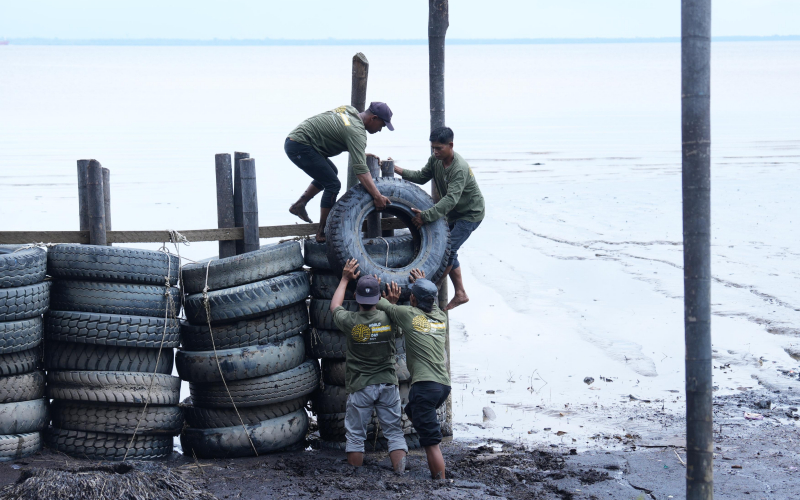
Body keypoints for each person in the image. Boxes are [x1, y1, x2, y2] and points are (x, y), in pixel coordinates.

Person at [329, 258, 407, 474]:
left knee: (355, 435)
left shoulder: (351, 321)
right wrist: (391, 304)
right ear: (378, 298)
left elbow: (334, 306)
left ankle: (355, 476)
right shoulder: (389, 318)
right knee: (394, 432)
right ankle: (400, 473)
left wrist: (345, 278)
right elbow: (397, 323)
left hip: (360, 386)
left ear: (355, 297)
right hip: (388, 384)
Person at [394, 126, 485, 310]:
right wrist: (394, 168)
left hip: (470, 214)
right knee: (449, 248)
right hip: (453, 213)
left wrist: (426, 216)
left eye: (439, 148)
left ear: (450, 145)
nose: (435, 151)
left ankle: (434, 286)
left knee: (448, 249)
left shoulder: (458, 168)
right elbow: (420, 177)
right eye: (433, 148)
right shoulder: (436, 161)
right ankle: (460, 293)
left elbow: (451, 199)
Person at [285, 102, 395, 242]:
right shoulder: (357, 132)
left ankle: (299, 205)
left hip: (296, 140)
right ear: (373, 118)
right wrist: (377, 196)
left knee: (331, 173)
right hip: (300, 145)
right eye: (382, 125)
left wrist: (361, 153)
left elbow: (338, 131)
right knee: (333, 184)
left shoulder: (349, 110)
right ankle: (322, 233)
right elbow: (361, 171)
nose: (381, 129)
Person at [378, 270, 450, 480]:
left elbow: (382, 304)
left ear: (412, 299)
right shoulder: (440, 316)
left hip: (425, 387)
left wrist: (387, 296)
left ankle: (441, 481)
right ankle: (427, 431)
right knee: (413, 411)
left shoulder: (408, 315)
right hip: (443, 387)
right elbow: (426, 300)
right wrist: (422, 280)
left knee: (431, 443)